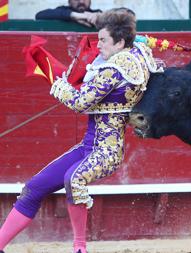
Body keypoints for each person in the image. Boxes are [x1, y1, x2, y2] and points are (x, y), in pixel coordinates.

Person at [0, 11, 162, 253]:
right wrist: (136, 40)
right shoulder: (138, 54)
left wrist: (59, 84)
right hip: (89, 147)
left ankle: (79, 248)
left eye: (104, 40)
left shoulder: (114, 69)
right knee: (34, 188)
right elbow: (154, 61)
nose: (99, 45)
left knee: (74, 179)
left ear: (119, 43)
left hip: (107, 151)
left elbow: (79, 102)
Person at [35, 0, 102, 28]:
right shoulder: (62, 10)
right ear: (69, 1)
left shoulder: (96, 14)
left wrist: (100, 17)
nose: (81, 1)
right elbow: (39, 15)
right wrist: (73, 15)